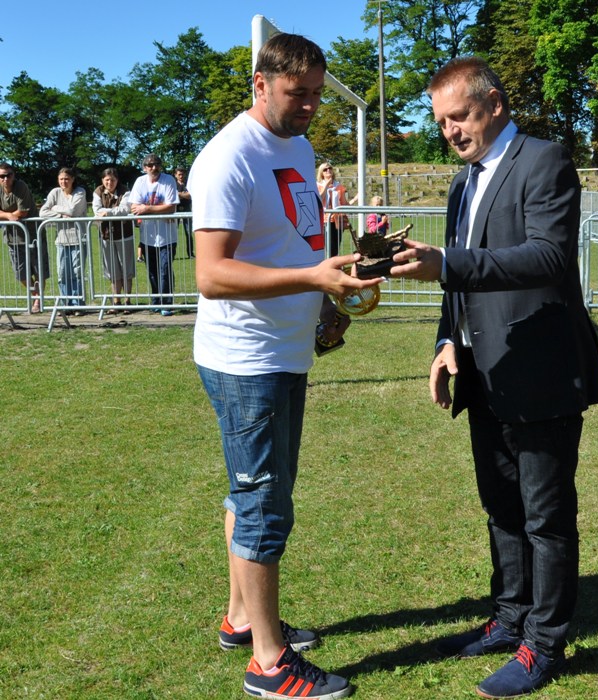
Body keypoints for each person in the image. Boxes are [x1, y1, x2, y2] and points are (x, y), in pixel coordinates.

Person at [389, 56, 598, 699]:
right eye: (441, 122)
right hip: (483, 372)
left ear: (495, 104)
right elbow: (455, 282)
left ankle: (544, 643)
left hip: (541, 370)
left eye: (459, 116)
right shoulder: (463, 183)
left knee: (546, 517)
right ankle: (509, 619)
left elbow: (547, 256)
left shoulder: (544, 160)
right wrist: (445, 342)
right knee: (501, 509)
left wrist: (448, 264)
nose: (450, 131)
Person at [188, 32, 381, 700]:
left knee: (250, 495)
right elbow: (211, 274)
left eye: (318, 95)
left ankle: (243, 620)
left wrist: (324, 301)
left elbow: (297, 239)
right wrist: (313, 277)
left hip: (284, 351)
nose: (310, 107)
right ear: (261, 84)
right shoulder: (227, 157)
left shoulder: (296, 147)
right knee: (264, 505)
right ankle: (269, 664)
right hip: (247, 360)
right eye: (298, 94)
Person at [129, 154, 179, 316]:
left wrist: (146, 209)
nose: (154, 167)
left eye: (156, 164)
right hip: (147, 236)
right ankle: (156, 300)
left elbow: (171, 207)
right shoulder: (140, 182)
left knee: (165, 269)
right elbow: (134, 207)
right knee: (152, 271)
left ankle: (167, 303)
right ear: (144, 168)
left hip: (167, 236)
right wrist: (156, 209)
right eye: (150, 165)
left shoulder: (168, 180)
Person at [0, 162, 49, 313]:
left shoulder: (21, 186)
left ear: (14, 175)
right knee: (20, 274)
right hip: (12, 238)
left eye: (9, 175)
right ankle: (35, 295)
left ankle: (38, 301)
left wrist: (5, 215)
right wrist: (9, 215)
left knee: (39, 270)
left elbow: (22, 212)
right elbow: (13, 216)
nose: (5, 179)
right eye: (2, 176)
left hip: (33, 235)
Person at [40, 167, 88, 313]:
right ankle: (65, 304)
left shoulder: (80, 192)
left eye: (67, 178)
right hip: (61, 240)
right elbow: (43, 212)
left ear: (72, 179)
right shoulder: (54, 192)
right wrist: (61, 215)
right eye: (61, 179)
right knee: (62, 273)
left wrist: (55, 208)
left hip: (78, 238)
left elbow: (73, 211)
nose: (64, 181)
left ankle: (78, 304)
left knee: (77, 272)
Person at [93, 167, 135, 312]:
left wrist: (107, 213)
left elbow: (125, 209)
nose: (109, 183)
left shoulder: (125, 191)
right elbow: (96, 210)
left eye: (112, 180)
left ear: (117, 180)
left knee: (126, 270)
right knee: (112, 271)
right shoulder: (98, 192)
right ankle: (116, 301)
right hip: (106, 236)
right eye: (107, 180)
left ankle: (127, 301)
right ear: (102, 180)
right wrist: (111, 213)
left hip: (125, 236)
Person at [317, 161, 351, 256]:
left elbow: (343, 203)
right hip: (324, 220)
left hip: (336, 220)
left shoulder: (338, 186)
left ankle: (334, 263)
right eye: (325, 169)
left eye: (330, 168)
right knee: (327, 247)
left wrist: (356, 200)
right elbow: (319, 200)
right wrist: (326, 186)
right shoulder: (318, 185)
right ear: (321, 173)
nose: (328, 170)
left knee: (335, 248)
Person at [175, 166, 194, 259]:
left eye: (182, 174)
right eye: (179, 174)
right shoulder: (173, 185)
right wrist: (184, 195)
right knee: (174, 233)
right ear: (175, 175)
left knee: (188, 233)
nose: (181, 176)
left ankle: (190, 253)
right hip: (176, 211)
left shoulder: (189, 184)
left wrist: (180, 194)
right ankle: (172, 253)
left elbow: (191, 195)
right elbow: (174, 196)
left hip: (187, 210)